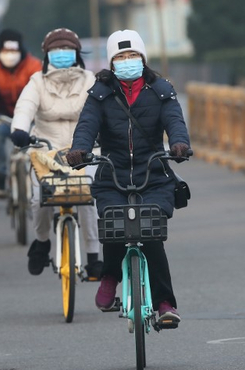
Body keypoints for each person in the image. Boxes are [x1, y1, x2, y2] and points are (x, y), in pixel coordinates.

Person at [67, 30, 191, 327]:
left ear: (143, 58)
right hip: (112, 173)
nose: (127, 62)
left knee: (151, 236)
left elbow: (175, 120)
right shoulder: (100, 93)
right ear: (111, 63)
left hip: (154, 175)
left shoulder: (162, 90)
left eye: (132, 56)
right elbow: (87, 125)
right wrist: (80, 149)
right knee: (113, 224)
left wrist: (179, 144)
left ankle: (164, 304)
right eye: (120, 57)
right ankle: (110, 277)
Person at [8, 28, 102, 278]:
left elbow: (104, 109)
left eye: (67, 49)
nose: (61, 54)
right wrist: (19, 130)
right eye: (56, 50)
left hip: (85, 152)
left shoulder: (90, 80)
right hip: (46, 153)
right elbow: (24, 108)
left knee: (89, 196)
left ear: (77, 53)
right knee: (39, 199)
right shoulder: (37, 82)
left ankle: (93, 256)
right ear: (46, 54)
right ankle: (41, 242)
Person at [0, 29, 42, 196]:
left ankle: (42, 178)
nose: (10, 55)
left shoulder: (33, 65)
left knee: (41, 141)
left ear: (21, 50)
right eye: (6, 51)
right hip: (4, 117)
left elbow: (42, 90)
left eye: (14, 51)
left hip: (30, 117)